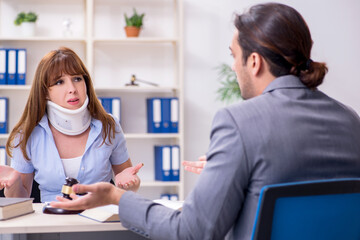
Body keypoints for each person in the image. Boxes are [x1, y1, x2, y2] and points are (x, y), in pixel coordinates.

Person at [50, 3, 360, 239]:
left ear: (254, 62)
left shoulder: (239, 122)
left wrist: (116, 197)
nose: (234, 68)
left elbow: (192, 231)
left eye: (233, 55)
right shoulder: (350, 121)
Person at [0, 47, 142, 203]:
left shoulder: (109, 126)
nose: (72, 89)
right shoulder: (27, 134)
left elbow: (126, 188)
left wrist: (130, 185)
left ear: (86, 83)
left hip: (100, 218)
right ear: (45, 92)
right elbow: (21, 199)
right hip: (51, 220)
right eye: (59, 82)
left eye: (77, 79)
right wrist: (12, 184)